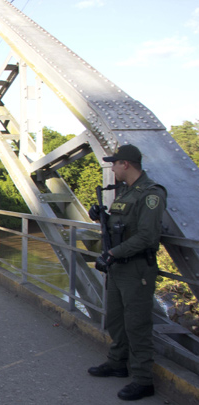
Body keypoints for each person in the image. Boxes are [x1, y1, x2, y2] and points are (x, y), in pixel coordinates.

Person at [86, 144, 166, 401]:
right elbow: (121, 227)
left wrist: (112, 254)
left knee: (137, 325)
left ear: (126, 164)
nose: (112, 168)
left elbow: (147, 236)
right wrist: (101, 218)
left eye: (115, 163)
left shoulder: (151, 194)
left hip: (136, 268)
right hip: (119, 267)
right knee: (116, 320)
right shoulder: (125, 193)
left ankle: (143, 381)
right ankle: (118, 363)